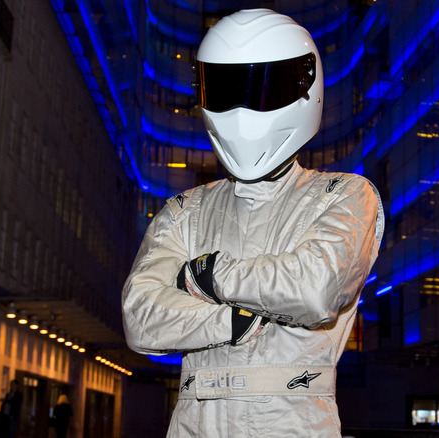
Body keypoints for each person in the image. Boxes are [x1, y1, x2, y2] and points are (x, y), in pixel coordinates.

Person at [121, 8, 384, 437]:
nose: (243, 108)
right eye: (225, 88)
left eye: (262, 88)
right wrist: (235, 321)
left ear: (306, 87)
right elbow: (141, 316)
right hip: (193, 422)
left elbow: (314, 289)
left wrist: (207, 275)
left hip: (291, 423)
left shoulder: (347, 194)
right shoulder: (186, 208)